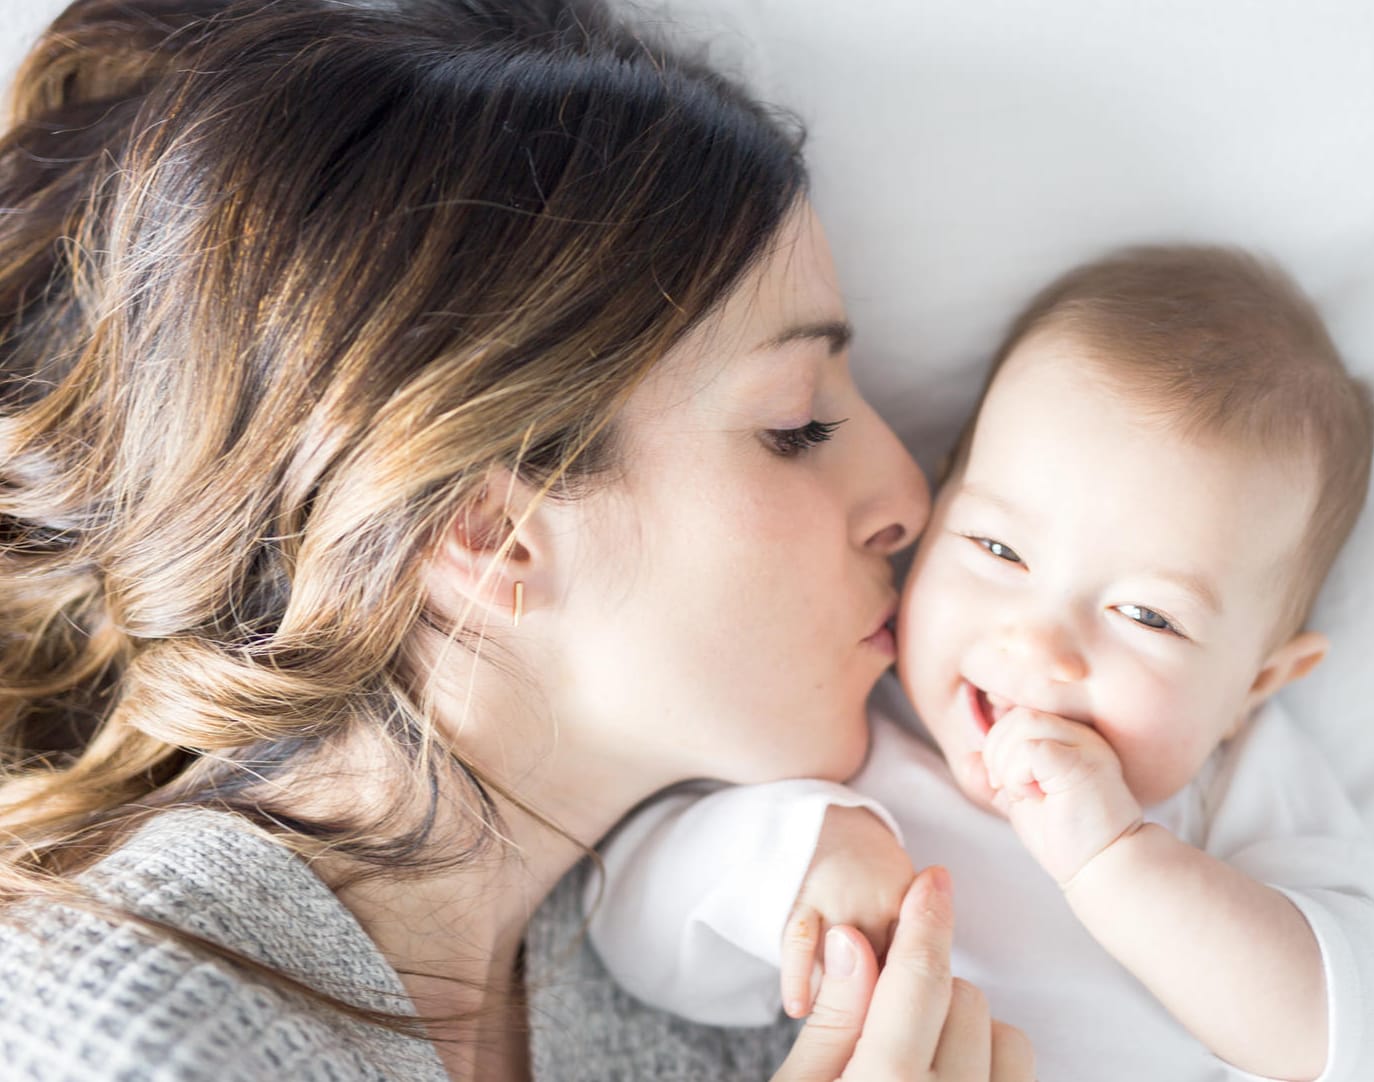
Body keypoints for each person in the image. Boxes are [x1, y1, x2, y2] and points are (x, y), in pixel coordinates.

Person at [0, 0, 1037, 1079]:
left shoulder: (750, 989)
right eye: (798, 425)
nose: (910, 498)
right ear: (487, 532)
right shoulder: (110, 1029)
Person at [590, 246, 1374, 1080]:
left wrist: (1115, 858)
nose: (1039, 644)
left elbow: (1341, 1033)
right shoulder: (843, 732)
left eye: (1146, 615)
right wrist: (804, 855)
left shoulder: (1236, 776)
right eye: (997, 548)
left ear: (1254, 685)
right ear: (935, 503)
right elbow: (625, 936)